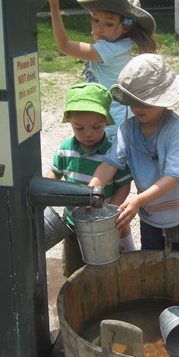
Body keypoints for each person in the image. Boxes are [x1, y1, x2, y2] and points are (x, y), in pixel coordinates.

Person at [89, 54, 179, 258]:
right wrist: (92, 190)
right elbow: (110, 164)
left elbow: (172, 177)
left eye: (145, 102)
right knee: (152, 262)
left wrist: (138, 200)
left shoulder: (177, 132)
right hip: (150, 216)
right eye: (133, 101)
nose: (138, 108)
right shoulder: (127, 130)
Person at [45, 0, 158, 137]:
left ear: (127, 25)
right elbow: (98, 10)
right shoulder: (120, 41)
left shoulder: (108, 50)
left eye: (108, 24)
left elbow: (64, 46)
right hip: (117, 121)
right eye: (95, 20)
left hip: (112, 125)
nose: (98, 28)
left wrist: (54, 6)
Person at [44, 82, 135, 277]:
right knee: (73, 272)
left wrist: (111, 211)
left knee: (107, 268)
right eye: (79, 128)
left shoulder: (112, 153)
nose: (88, 134)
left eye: (96, 127)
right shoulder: (65, 150)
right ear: (69, 121)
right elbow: (53, 175)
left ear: (106, 121)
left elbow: (124, 185)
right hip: (72, 223)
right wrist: (46, 193)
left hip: (103, 225)